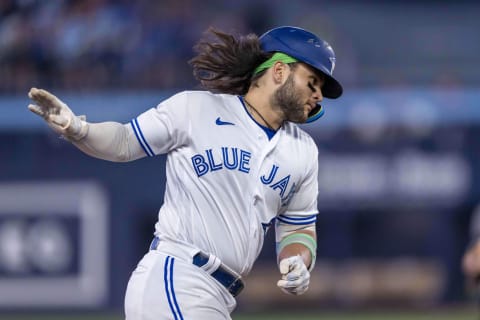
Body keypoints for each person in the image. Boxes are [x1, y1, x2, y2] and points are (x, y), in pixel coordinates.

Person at [27, 25, 343, 320]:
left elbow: (297, 230)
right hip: (177, 276)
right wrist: (78, 129)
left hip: (219, 294)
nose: (317, 96)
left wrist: (298, 262)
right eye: (312, 82)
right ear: (278, 70)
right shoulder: (197, 109)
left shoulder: (303, 151)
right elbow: (124, 141)